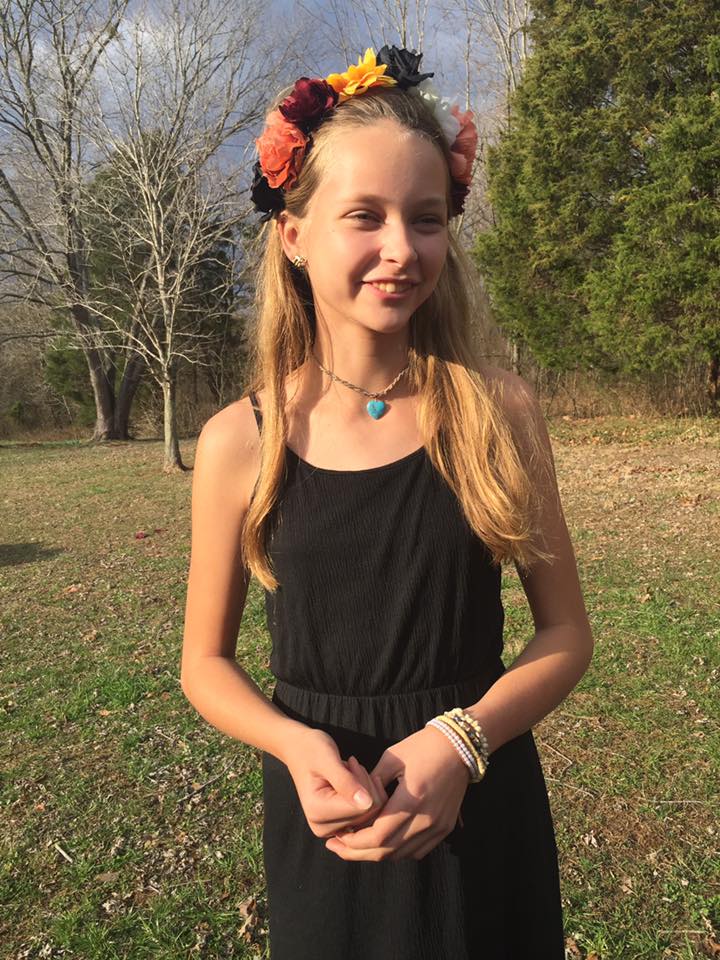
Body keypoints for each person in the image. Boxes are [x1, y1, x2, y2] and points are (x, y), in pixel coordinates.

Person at [180, 44, 594, 960]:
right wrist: (294, 747)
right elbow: (204, 663)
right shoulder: (240, 440)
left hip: (481, 802)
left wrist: (462, 741)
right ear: (294, 235)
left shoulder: (498, 414)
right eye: (364, 216)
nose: (402, 249)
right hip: (328, 823)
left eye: (427, 218)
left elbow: (566, 635)